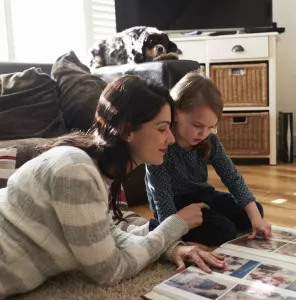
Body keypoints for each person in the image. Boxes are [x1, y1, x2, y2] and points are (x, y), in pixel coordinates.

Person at [0, 75, 225, 300]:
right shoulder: (76, 171)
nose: (171, 139)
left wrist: (170, 247)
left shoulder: (93, 170)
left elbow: (110, 236)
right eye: (162, 129)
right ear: (127, 131)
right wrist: (176, 224)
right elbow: (109, 270)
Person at [145, 72, 271, 246]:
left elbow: (232, 177)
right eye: (197, 126)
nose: (203, 133)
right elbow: (161, 195)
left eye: (210, 127)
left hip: (202, 195)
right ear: (176, 113)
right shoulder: (162, 145)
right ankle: (154, 227)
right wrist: (174, 236)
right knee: (225, 231)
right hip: (174, 204)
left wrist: (256, 219)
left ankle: (215, 222)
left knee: (254, 210)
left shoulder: (209, 141)